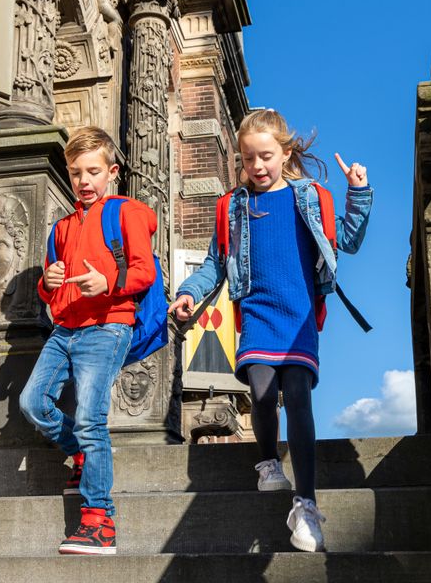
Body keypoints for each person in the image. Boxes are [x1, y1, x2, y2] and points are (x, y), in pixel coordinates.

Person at [168, 108, 372, 552]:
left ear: (285, 152)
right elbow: (215, 265)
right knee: (261, 390)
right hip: (257, 314)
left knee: (296, 394)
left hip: (298, 317)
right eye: (247, 159)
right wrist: (188, 292)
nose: (256, 167)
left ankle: (306, 505)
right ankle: (267, 462)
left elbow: (349, 241)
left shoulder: (312, 198)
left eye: (265, 157)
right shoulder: (233, 207)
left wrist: (358, 191)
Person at [19, 126, 157, 555]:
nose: (84, 181)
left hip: (109, 325)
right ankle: (80, 454)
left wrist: (110, 282)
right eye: (76, 172)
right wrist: (47, 282)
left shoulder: (127, 212)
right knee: (32, 402)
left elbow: (144, 273)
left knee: (91, 417)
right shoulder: (60, 230)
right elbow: (50, 291)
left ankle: (100, 521)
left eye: (93, 171)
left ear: (112, 172)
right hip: (66, 330)